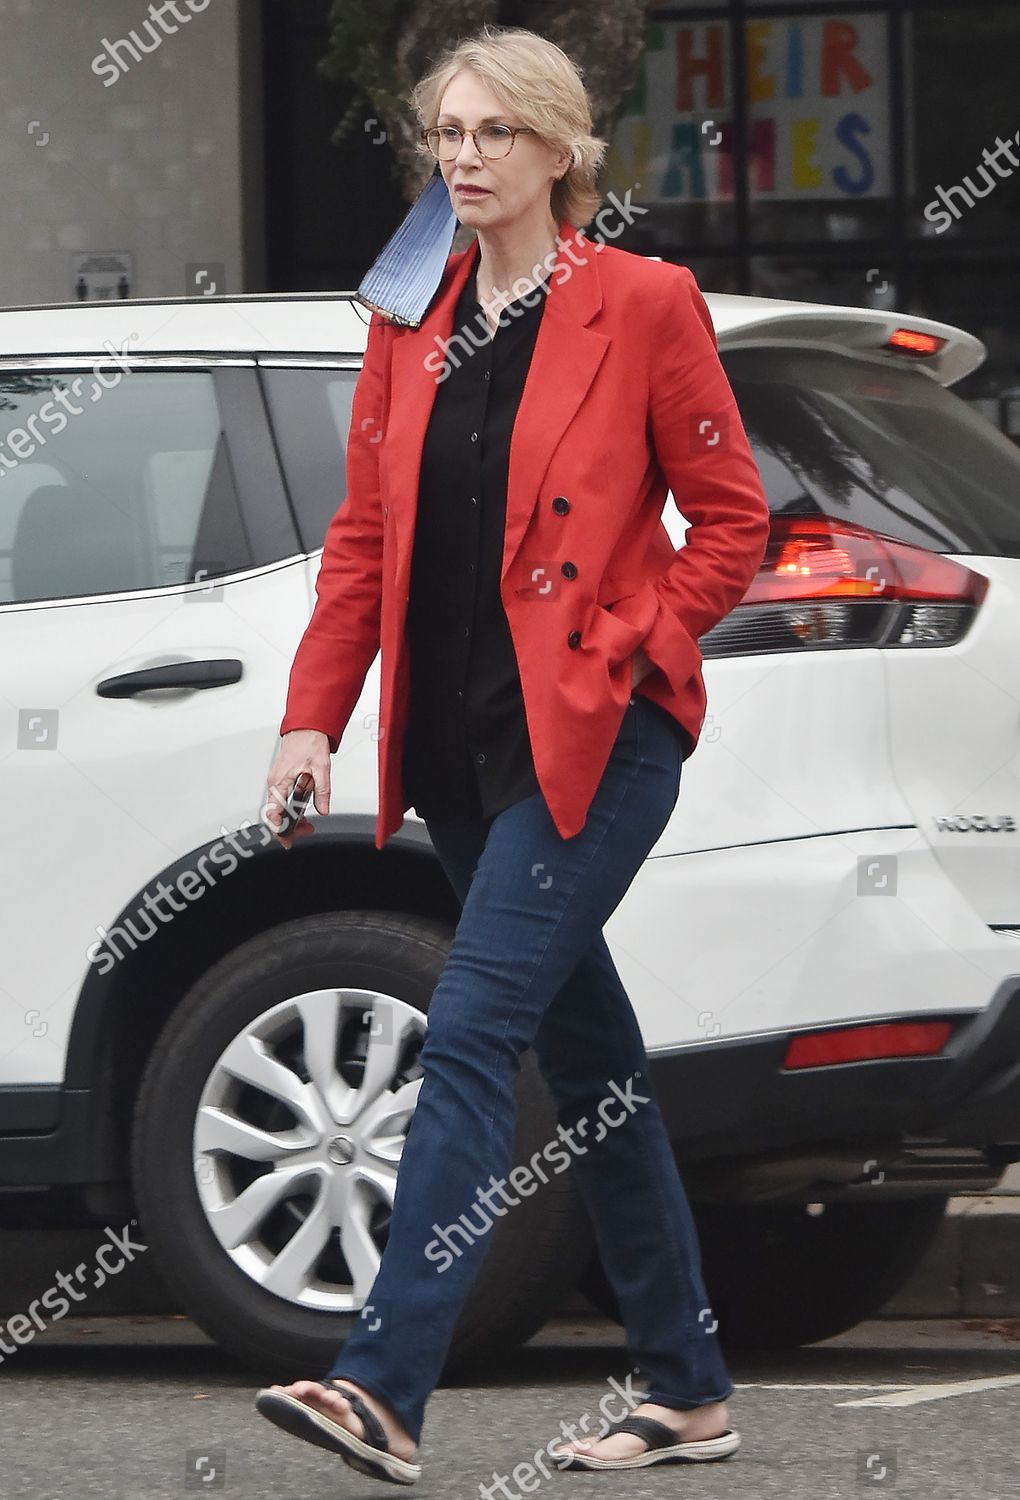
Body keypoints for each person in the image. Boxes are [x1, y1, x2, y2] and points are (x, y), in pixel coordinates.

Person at [255, 22, 771, 1486]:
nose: (463, 158)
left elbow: (734, 522)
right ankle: (687, 1389)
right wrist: (313, 717)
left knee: (472, 1033)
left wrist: (630, 638)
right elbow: (363, 542)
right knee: (590, 1059)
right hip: (464, 752)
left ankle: (383, 1382)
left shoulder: (644, 304)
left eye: (493, 135)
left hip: (598, 741)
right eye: (448, 135)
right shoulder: (409, 312)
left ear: (560, 151)